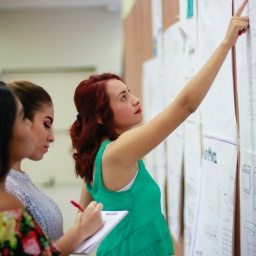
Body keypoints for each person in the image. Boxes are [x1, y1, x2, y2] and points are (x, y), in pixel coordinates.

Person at [69, 1, 249, 255]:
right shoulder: (116, 152)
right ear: (100, 116)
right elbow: (185, 106)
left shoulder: (97, 155)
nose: (135, 100)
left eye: (128, 92)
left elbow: (84, 215)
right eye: (123, 98)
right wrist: (225, 43)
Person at [5, 80, 104, 254]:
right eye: (45, 124)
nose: (51, 137)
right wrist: (80, 231)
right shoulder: (7, 188)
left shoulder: (20, 179)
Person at [0, 83, 59, 255]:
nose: (27, 124)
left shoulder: (16, 184)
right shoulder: (8, 203)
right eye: (21, 118)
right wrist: (79, 232)